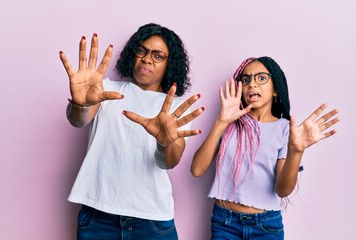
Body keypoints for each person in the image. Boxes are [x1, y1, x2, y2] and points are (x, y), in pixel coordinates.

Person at [59, 23, 204, 240]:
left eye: (158, 56)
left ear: (169, 64)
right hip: (97, 217)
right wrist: (80, 104)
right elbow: (78, 120)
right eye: (142, 50)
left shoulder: (175, 107)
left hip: (151, 221)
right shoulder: (107, 89)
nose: (147, 59)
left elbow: (168, 162)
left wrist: (164, 143)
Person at [191, 56, 340, 239]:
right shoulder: (229, 124)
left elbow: (283, 190)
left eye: (261, 78)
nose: (252, 84)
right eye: (246, 80)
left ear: (276, 89)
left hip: (265, 227)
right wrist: (221, 121)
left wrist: (296, 151)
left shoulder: (286, 129)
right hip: (225, 223)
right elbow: (197, 169)